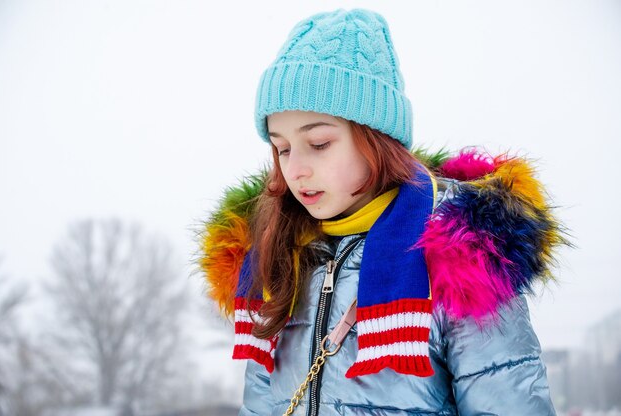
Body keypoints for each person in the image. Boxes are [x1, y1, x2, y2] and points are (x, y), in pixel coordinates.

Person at [199, 8, 568, 415]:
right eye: (282, 148)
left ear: (377, 138)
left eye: (319, 143)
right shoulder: (272, 258)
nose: (296, 169)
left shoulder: (462, 255)